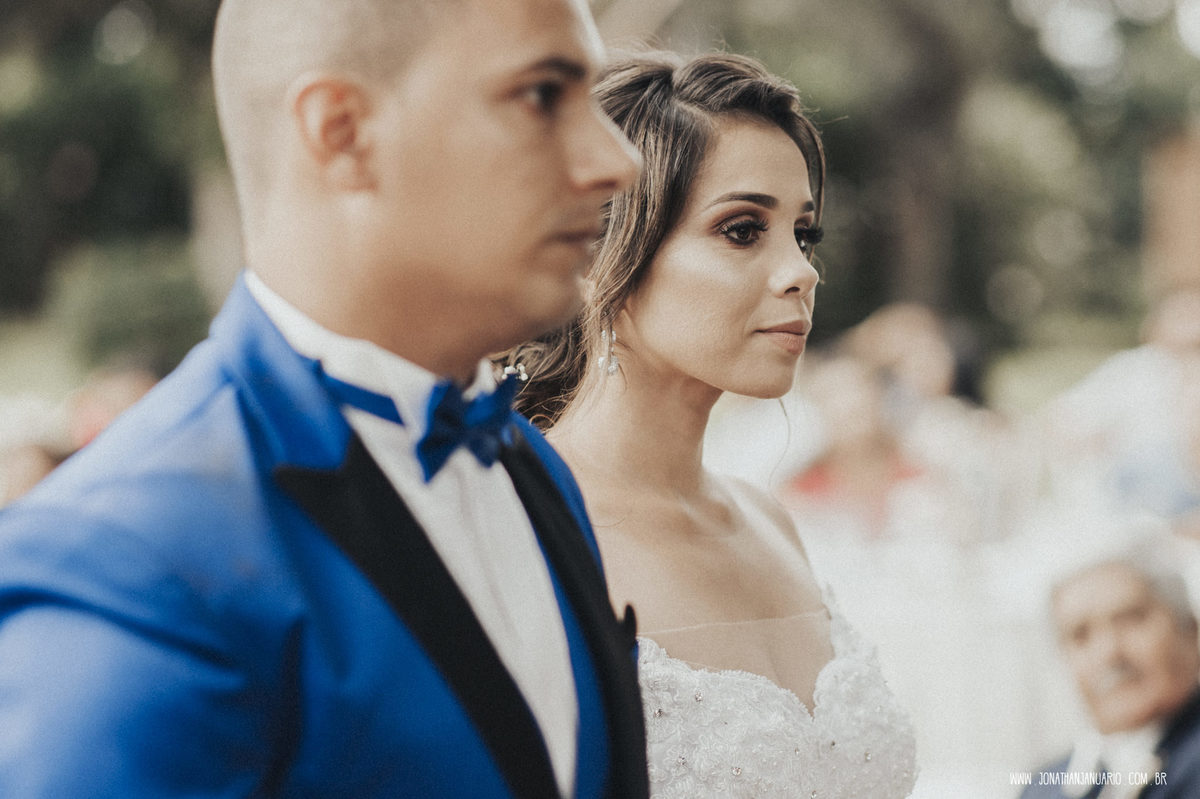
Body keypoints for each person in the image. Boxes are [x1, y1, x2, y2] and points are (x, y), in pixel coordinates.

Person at [0, 0, 649, 796]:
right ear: (341, 132)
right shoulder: (130, 557)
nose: (617, 162)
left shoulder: (532, 465)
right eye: (544, 94)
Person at [504, 51, 918, 798]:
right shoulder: (525, 526)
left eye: (804, 233)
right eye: (740, 229)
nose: (801, 271)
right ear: (598, 254)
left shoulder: (769, 519)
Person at [1021, 543, 1200, 799]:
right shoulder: (1045, 787)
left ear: (1190, 630)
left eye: (1131, 619)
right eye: (1080, 635)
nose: (1109, 653)